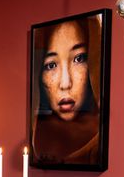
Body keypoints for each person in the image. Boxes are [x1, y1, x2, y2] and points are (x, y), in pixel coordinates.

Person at [32, 15, 102, 165]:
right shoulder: (36, 141)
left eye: (79, 59)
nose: (65, 83)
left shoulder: (101, 143)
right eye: (51, 65)